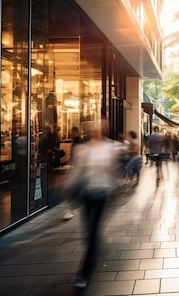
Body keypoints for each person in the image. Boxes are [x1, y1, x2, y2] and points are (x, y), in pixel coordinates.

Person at [63, 120, 121, 289]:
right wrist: (67, 186)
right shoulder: (83, 149)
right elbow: (76, 172)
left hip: (103, 192)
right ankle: (93, 251)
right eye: (96, 128)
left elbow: (114, 171)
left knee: (93, 230)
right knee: (88, 231)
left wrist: (115, 187)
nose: (99, 130)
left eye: (102, 128)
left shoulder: (110, 147)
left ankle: (85, 271)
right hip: (86, 193)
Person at [63, 126, 82, 220]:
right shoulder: (75, 142)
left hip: (78, 168)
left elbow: (77, 155)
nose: (71, 134)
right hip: (76, 168)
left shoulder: (78, 142)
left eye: (73, 132)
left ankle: (69, 208)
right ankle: (68, 208)